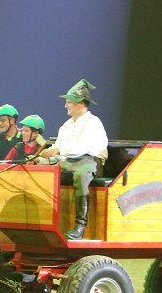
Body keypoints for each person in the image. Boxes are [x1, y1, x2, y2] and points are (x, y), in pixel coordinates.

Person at [30, 79, 108, 239]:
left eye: (68, 102)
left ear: (80, 103)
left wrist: (58, 150)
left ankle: (80, 226)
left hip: (91, 162)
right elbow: (58, 154)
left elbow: (84, 147)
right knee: (46, 175)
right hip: (69, 163)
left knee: (81, 174)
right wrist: (41, 160)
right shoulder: (65, 126)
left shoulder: (93, 123)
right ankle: (45, 224)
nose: (66, 105)